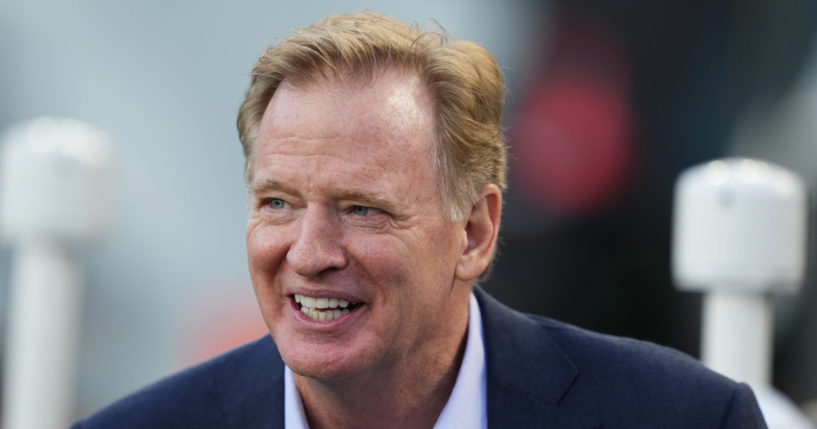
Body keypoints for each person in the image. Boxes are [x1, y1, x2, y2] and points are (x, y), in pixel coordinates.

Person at [72, 11, 767, 428]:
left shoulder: (681, 419)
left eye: (361, 208)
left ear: (473, 231)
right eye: (277, 203)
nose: (309, 252)